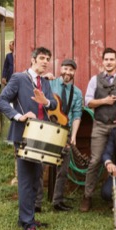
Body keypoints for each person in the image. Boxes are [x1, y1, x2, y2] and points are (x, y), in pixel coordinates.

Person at [0, 46, 57, 230]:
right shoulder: (19, 78)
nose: (45, 61)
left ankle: (27, 218)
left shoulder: (45, 82)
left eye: (47, 58)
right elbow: (1, 100)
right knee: (25, 180)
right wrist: (19, 116)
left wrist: (46, 101)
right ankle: (27, 225)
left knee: (35, 179)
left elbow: (53, 106)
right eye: (41, 57)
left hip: (42, 136)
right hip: (23, 135)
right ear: (33, 60)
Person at [81, 47, 116, 212]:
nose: (109, 62)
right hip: (99, 125)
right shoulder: (95, 80)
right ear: (102, 61)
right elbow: (88, 102)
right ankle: (87, 196)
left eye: (112, 59)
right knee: (95, 161)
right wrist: (105, 101)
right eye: (106, 59)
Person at [36, 59, 84, 212]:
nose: (67, 72)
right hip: (48, 129)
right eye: (65, 69)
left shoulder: (77, 92)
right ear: (60, 69)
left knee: (62, 169)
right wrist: (44, 78)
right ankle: (36, 203)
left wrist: (74, 135)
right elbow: (36, 93)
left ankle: (58, 201)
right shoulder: (50, 83)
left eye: (71, 70)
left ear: (74, 72)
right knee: (40, 167)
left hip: (65, 131)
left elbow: (77, 115)